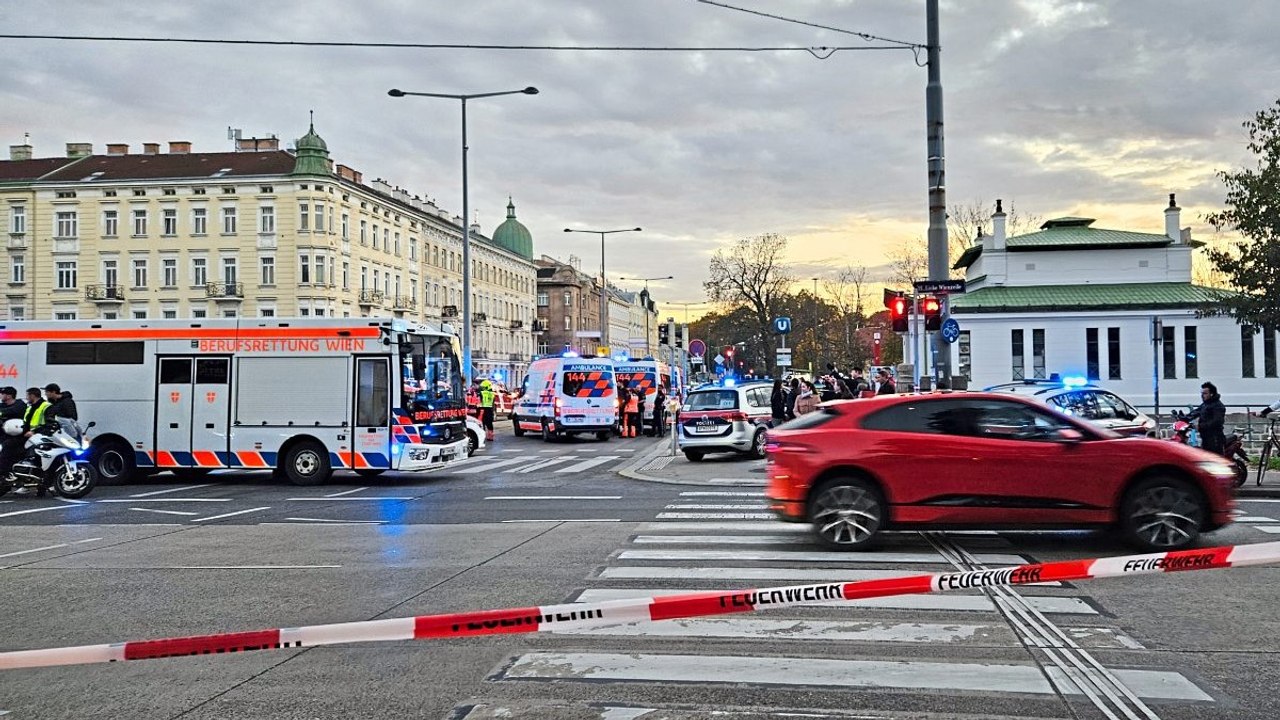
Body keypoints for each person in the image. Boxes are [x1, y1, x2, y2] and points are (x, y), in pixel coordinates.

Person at [11, 388, 47, 495]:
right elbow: (26, 422)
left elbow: (48, 422)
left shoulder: (45, 406)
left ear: (32, 396)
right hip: (28, 436)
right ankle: (26, 483)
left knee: (36, 461)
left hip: (39, 436)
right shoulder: (30, 407)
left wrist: (35, 431)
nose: (26, 398)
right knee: (27, 460)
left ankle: (39, 487)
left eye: (27, 395)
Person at [1186, 381, 1226, 455]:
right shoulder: (1206, 404)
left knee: (1213, 460)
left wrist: (1200, 426)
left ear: (1211, 394)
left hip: (1215, 438)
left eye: (1205, 393)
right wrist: (1185, 418)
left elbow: (1217, 421)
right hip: (1206, 437)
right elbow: (1197, 412)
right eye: (1202, 393)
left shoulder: (1217, 405)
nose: (1202, 396)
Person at [0, 387, 27, 482]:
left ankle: (5, 473)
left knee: (6, 447)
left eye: (2, 394)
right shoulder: (2, 405)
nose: (1, 396)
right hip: (4, 435)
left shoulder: (20, 405)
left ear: (9, 396)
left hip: (19, 437)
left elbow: (13, 411)